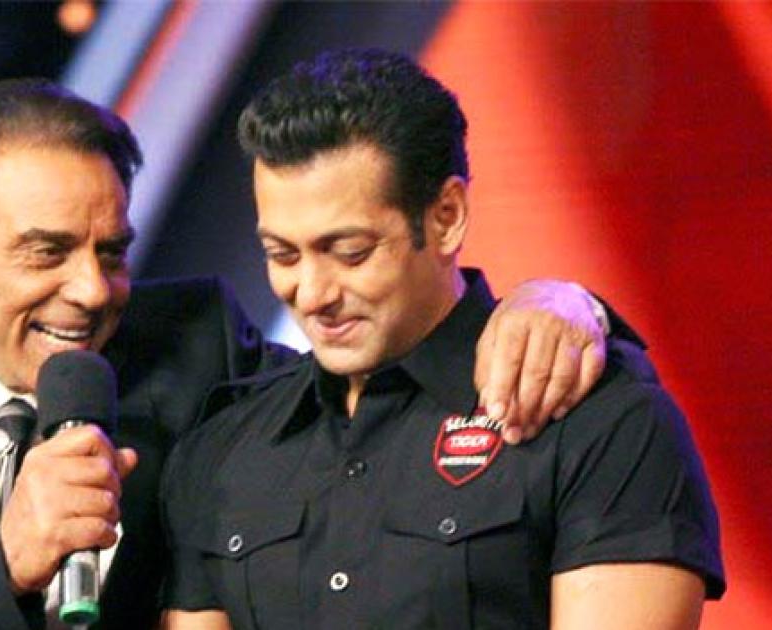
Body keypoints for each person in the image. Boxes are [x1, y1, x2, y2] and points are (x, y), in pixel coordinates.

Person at [0, 78, 626, 629]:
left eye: (111, 252)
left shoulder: (192, 341)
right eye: (46, 252)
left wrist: (565, 306)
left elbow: (390, 373)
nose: (91, 290)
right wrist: (5, 558)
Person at [160, 50, 724, 629]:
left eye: (350, 253)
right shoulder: (222, 450)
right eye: (281, 254)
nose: (311, 292)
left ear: (447, 217)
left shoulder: (599, 421)